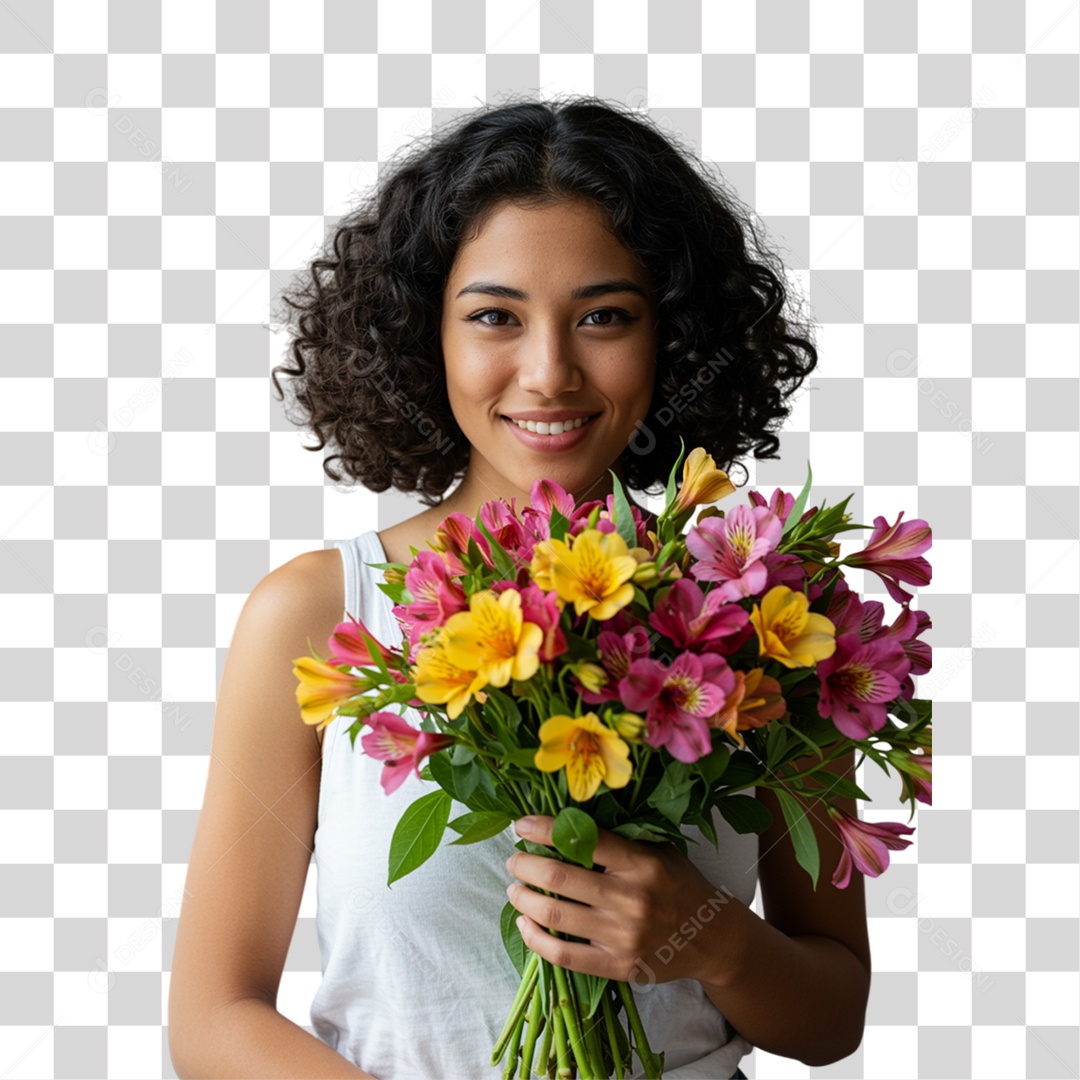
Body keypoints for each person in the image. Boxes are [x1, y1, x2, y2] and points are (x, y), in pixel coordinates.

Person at [168, 94, 871, 1079]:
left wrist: (712, 939)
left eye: (605, 317)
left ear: (673, 334)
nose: (549, 372)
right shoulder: (319, 613)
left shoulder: (770, 618)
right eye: (494, 316)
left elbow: (832, 1019)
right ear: (424, 334)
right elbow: (212, 1019)